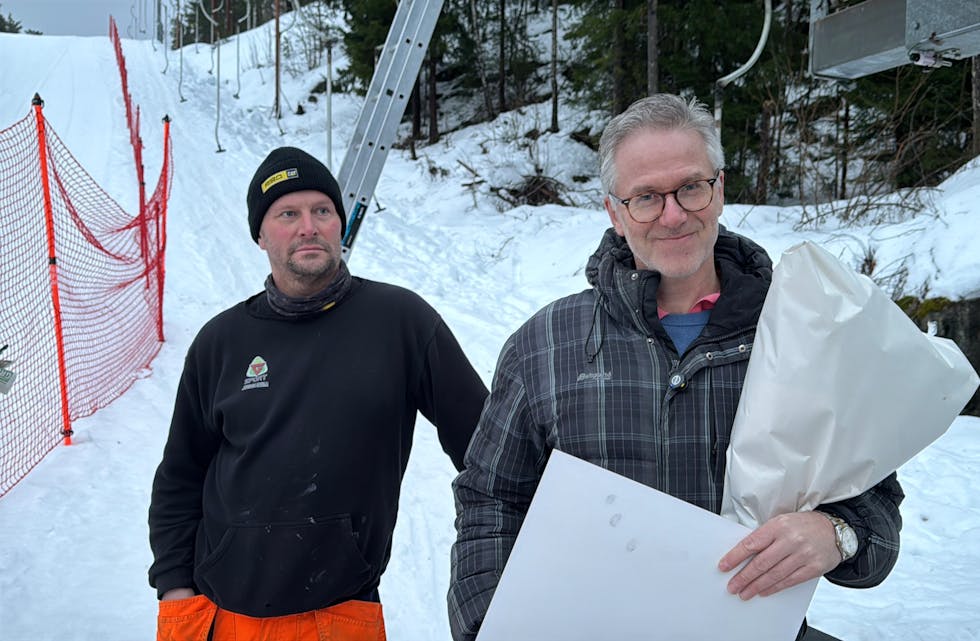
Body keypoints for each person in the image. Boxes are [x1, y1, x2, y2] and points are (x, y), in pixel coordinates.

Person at [448, 95, 904, 641]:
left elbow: (874, 502)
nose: (673, 214)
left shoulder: (801, 334)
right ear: (614, 213)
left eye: (690, 186)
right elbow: (492, 500)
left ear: (719, 189)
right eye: (645, 197)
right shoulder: (545, 344)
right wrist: (487, 627)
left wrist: (837, 533)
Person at [149, 146, 488, 641]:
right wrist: (175, 588)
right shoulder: (221, 342)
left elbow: (487, 447)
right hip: (218, 616)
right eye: (288, 213)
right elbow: (180, 476)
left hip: (338, 615)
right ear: (260, 235)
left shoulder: (401, 322)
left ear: (339, 226)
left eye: (322, 211)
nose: (308, 226)